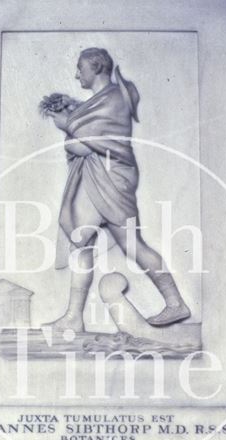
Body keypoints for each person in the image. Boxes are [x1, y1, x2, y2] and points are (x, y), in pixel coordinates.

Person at [46, 47, 190, 331]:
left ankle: (176, 304)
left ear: (97, 67)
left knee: (131, 245)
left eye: (81, 68)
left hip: (111, 179)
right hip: (96, 177)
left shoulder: (112, 98)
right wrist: (72, 132)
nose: (77, 75)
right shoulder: (98, 102)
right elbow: (84, 140)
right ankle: (74, 317)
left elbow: (97, 140)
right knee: (81, 242)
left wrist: (69, 124)